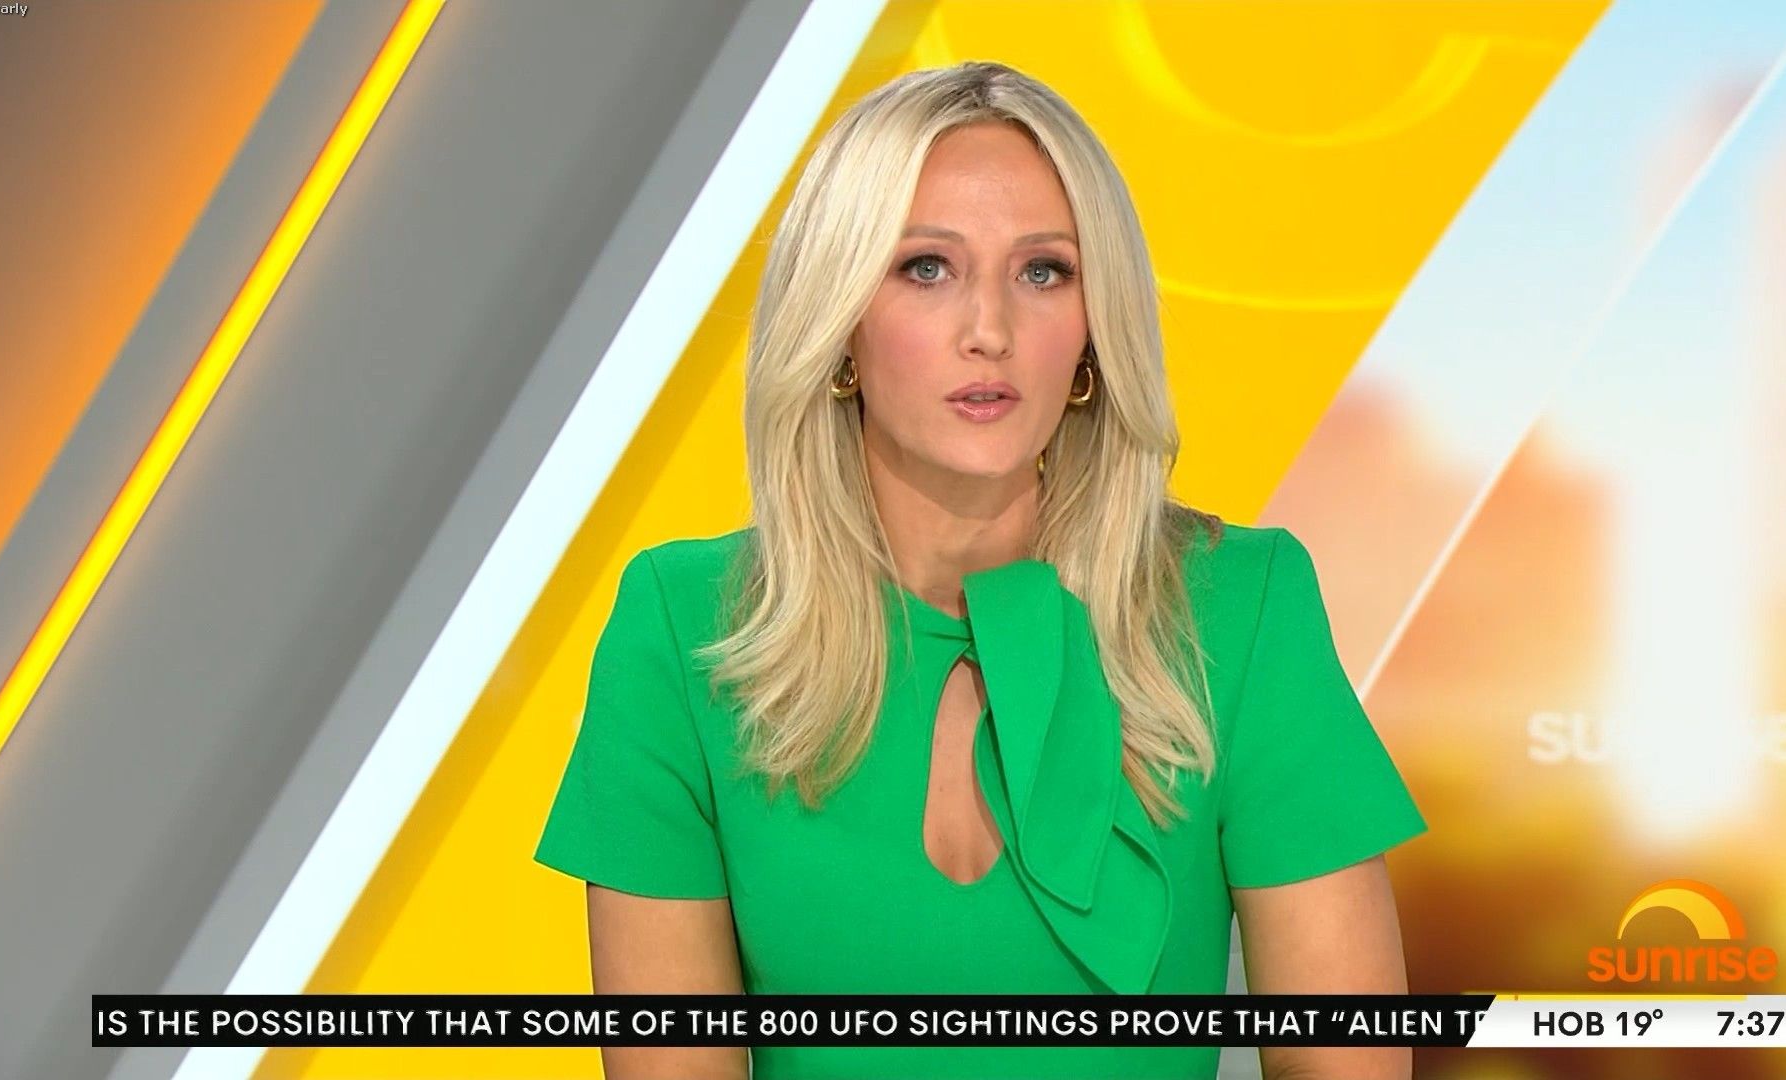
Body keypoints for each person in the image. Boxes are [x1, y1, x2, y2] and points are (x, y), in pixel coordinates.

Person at [534, 60, 1427, 1080]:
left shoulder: (1241, 608)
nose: (990, 332)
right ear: (839, 324)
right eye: (927, 268)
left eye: (1043, 272)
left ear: (1093, 333)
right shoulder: (686, 629)